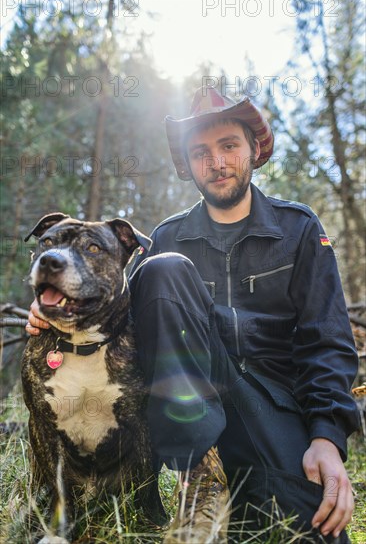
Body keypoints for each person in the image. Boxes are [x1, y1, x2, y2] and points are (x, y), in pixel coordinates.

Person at [27, 86, 360, 544]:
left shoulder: (298, 229)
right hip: (190, 412)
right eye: (200, 152)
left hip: (273, 406)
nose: (216, 162)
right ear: (187, 164)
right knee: (163, 271)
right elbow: (115, 313)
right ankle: (198, 484)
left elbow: (328, 341)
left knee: (311, 533)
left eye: (228, 146)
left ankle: (248, 488)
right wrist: (54, 306)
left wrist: (326, 436)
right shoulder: (165, 239)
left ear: (254, 149)